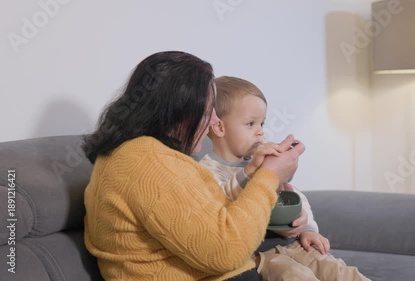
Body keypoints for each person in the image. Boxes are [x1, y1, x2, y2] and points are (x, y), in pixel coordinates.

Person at [82, 51, 305, 281]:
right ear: (181, 112)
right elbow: (225, 251)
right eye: (209, 111)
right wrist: (269, 175)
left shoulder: (139, 153)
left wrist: (255, 174)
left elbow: (212, 219)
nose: (215, 122)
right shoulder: (149, 162)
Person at [199, 76, 371, 281]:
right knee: (297, 276)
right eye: (250, 124)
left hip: (294, 243)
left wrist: (306, 228)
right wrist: (253, 172)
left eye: (262, 123)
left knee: (342, 273)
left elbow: (293, 195)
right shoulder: (206, 171)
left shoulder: (263, 159)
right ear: (219, 127)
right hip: (260, 255)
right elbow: (222, 203)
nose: (260, 131)